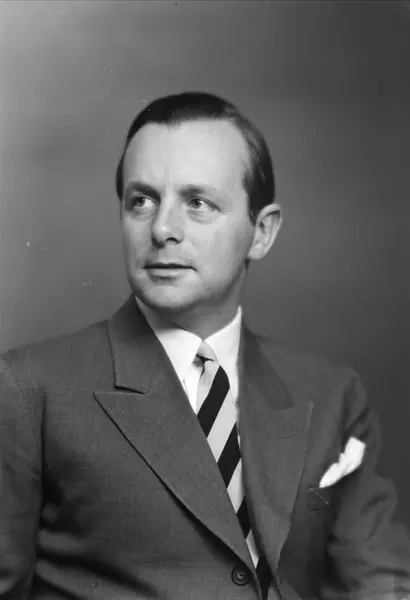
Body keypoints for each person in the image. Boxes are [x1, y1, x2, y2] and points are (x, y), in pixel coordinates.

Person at [0, 92, 409, 600]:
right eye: (141, 201)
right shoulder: (29, 389)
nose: (162, 229)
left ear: (262, 233)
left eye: (198, 203)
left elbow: (379, 579)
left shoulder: (332, 394)